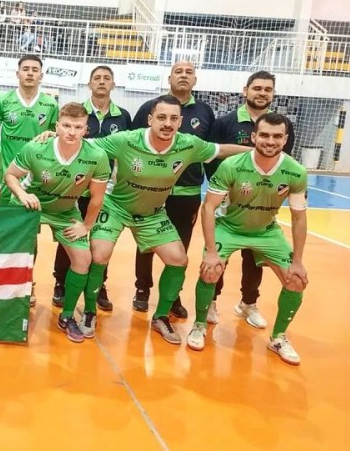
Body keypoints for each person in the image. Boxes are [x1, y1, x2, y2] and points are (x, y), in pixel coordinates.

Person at [88, 95, 249, 344]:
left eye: (173, 118)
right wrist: (51, 138)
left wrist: (256, 151)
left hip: (152, 214)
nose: (167, 123)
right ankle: (88, 311)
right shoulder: (125, 140)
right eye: (161, 117)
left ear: (180, 121)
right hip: (116, 205)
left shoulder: (189, 144)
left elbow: (221, 151)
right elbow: (86, 145)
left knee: (178, 259)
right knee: (99, 254)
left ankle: (161, 316)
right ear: (150, 119)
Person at [187, 113, 308, 366]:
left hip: (266, 231)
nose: (270, 141)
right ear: (254, 137)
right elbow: (208, 208)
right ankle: (199, 325)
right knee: (210, 270)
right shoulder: (232, 165)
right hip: (229, 227)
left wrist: (298, 261)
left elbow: (298, 218)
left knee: (296, 280)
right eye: (264, 135)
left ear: (285, 140)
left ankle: (278, 337)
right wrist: (210, 251)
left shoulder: (295, 171)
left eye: (277, 136)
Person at [5, 102, 110, 343]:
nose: (71, 132)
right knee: (23, 253)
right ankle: (14, 301)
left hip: (65, 211)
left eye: (78, 126)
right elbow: (10, 175)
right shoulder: (37, 147)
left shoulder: (96, 156)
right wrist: (22, 194)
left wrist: (86, 226)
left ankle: (67, 315)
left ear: (86, 129)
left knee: (83, 258)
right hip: (31, 206)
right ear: (57, 126)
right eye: (66, 126)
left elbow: (97, 197)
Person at [204, 70, 295, 327]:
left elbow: (283, 163)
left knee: (255, 256)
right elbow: (213, 157)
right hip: (229, 201)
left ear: (273, 94)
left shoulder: (281, 125)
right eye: (257, 88)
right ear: (246, 91)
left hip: (262, 203)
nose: (262, 93)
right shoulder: (225, 123)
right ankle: (212, 300)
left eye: (267, 89)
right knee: (221, 253)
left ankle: (248, 303)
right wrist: (223, 192)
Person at [131, 60, 215, 318]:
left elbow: (210, 152)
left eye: (189, 72)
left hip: (187, 193)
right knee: (146, 243)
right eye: (178, 72)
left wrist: (216, 186)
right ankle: (142, 290)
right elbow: (132, 144)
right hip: (152, 191)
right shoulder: (151, 107)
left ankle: (172, 296)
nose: (183, 76)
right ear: (169, 78)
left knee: (180, 246)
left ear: (195, 80)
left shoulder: (205, 111)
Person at [51, 65, 132, 310]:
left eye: (106, 78)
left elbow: (127, 152)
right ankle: (61, 283)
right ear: (89, 84)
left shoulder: (123, 116)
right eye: (97, 78)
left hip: (103, 188)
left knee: (99, 238)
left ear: (113, 84)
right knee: (70, 233)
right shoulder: (77, 113)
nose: (101, 82)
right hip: (73, 186)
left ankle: (98, 286)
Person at [0, 54, 58, 205]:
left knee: (30, 221)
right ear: (17, 74)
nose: (30, 73)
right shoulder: (2, 100)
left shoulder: (51, 104)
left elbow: (54, 139)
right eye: (25, 69)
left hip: (35, 173)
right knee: (0, 219)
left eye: (35, 70)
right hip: (6, 170)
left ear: (41, 75)